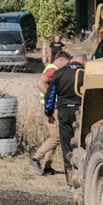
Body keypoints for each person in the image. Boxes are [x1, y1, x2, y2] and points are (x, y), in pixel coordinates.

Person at [29, 51, 70, 175]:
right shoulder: (53, 69)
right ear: (61, 60)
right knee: (57, 137)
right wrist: (51, 99)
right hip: (50, 108)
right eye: (67, 63)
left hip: (49, 107)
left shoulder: (53, 68)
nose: (67, 67)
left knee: (54, 136)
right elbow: (40, 83)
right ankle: (35, 158)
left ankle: (47, 166)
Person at [49, 52, 87, 182]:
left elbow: (51, 96)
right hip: (81, 111)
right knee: (83, 143)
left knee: (66, 145)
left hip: (64, 111)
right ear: (84, 62)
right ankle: (83, 177)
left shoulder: (59, 73)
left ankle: (70, 180)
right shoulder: (86, 73)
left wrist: (49, 113)